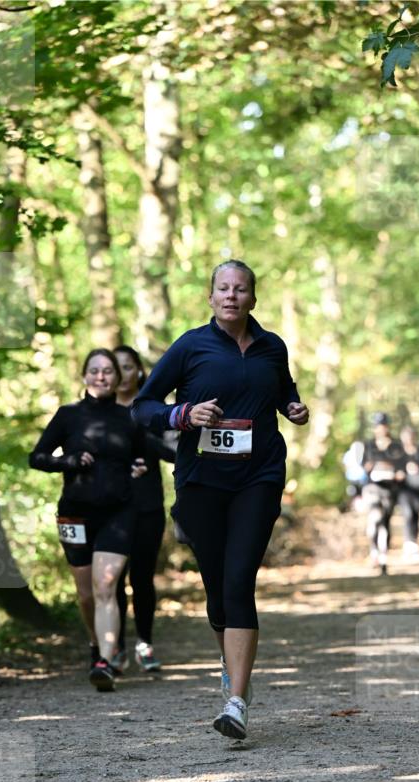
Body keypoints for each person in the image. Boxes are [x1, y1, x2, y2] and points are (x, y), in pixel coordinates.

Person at [132, 260, 309, 740]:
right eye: (223, 289)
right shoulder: (191, 346)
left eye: (241, 289)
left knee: (238, 580)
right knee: (217, 592)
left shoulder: (273, 346)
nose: (232, 296)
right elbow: (143, 407)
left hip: (260, 476)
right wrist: (184, 413)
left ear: (254, 298)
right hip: (202, 483)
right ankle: (234, 673)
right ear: (210, 297)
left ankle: (236, 702)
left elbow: (284, 391)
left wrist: (293, 407)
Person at [29, 349, 147, 692]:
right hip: (75, 513)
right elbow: (36, 457)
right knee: (85, 595)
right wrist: (67, 461)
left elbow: (139, 456)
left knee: (105, 587)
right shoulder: (68, 416)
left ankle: (105, 663)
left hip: (118, 512)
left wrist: (137, 466)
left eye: (108, 370)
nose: (101, 376)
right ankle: (96, 645)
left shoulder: (130, 418)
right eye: (94, 370)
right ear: (84, 376)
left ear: (118, 377)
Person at [113, 345, 176, 674]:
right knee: (113, 579)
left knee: (142, 578)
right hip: (108, 508)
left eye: (128, 366)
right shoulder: (100, 411)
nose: (122, 374)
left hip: (148, 504)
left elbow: (174, 452)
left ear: (139, 371)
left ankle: (145, 644)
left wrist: (145, 444)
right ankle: (117, 648)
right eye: (116, 367)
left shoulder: (152, 410)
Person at [361, 413, 405, 575]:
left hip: (389, 489)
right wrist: (370, 466)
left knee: (385, 522)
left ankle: (383, 555)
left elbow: (403, 466)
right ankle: (374, 552)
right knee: (374, 520)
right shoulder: (369, 445)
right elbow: (363, 466)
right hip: (372, 487)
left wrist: (398, 474)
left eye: (383, 425)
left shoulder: (396, 445)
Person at [398, 425, 419, 560]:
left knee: (416, 515)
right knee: (407, 514)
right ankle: (408, 543)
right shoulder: (399, 453)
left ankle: (414, 543)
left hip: (418, 488)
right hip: (404, 489)